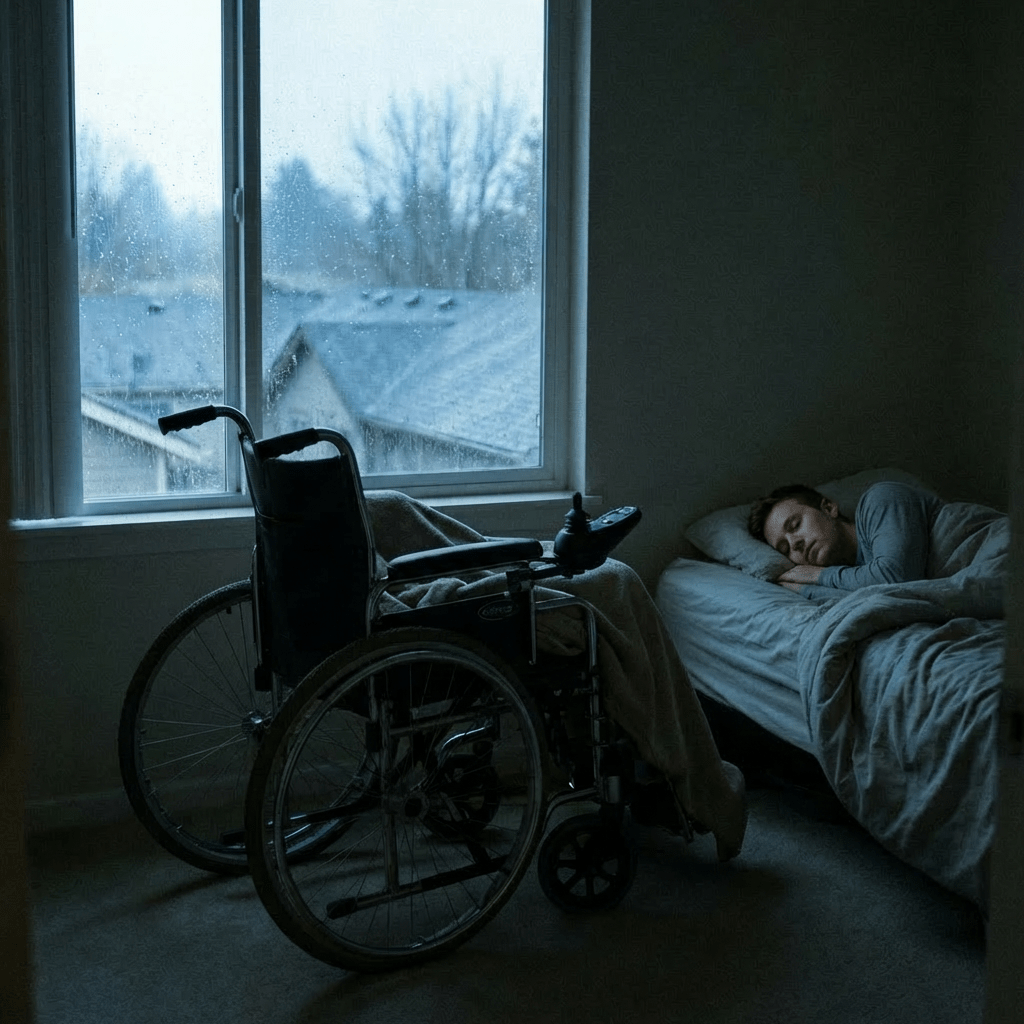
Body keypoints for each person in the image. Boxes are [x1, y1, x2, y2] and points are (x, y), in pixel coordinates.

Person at [747, 480, 943, 597]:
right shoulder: (852, 583)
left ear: (829, 508)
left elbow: (897, 579)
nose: (794, 544)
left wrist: (816, 576)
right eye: (784, 549)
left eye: (795, 525)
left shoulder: (880, 499)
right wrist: (806, 590)